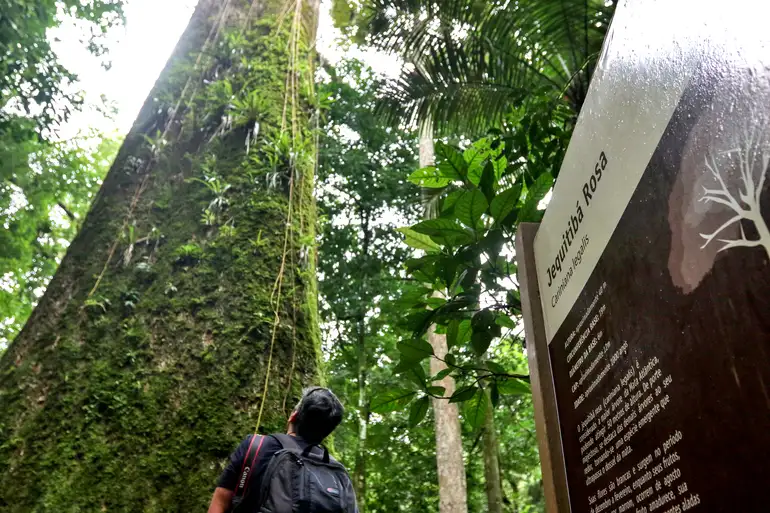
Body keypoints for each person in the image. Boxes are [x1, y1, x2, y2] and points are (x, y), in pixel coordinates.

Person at [207, 386, 351, 513]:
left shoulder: (257, 446)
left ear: (293, 415)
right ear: (326, 432)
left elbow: (220, 502)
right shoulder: (338, 475)